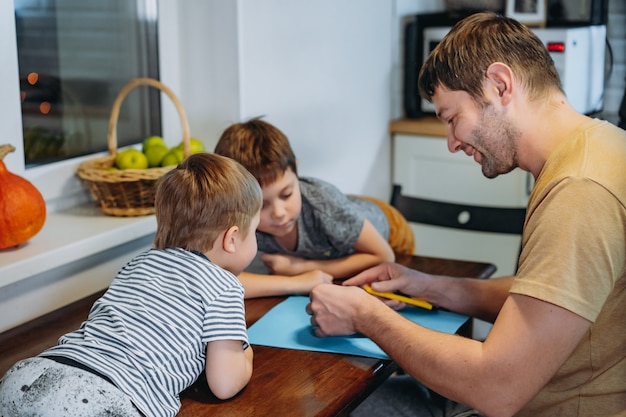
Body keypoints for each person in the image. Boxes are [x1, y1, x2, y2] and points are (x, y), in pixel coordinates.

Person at [307, 11, 626, 417]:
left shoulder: (580, 191)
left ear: (500, 85)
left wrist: (364, 315)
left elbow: (496, 388)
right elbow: (546, 300)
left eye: (453, 118)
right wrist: (431, 286)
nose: (452, 143)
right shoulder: (599, 147)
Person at [0, 153, 262, 417]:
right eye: (255, 232)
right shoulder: (225, 286)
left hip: (31, 374)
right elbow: (225, 383)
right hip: (103, 397)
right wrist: (246, 355)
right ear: (232, 238)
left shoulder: (139, 263)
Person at [214, 117, 416, 298]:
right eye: (261, 205)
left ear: (296, 169)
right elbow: (217, 281)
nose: (278, 212)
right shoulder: (236, 216)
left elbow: (383, 256)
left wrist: (300, 268)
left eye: (286, 194)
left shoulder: (324, 205)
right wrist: (294, 282)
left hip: (389, 229)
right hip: (338, 226)